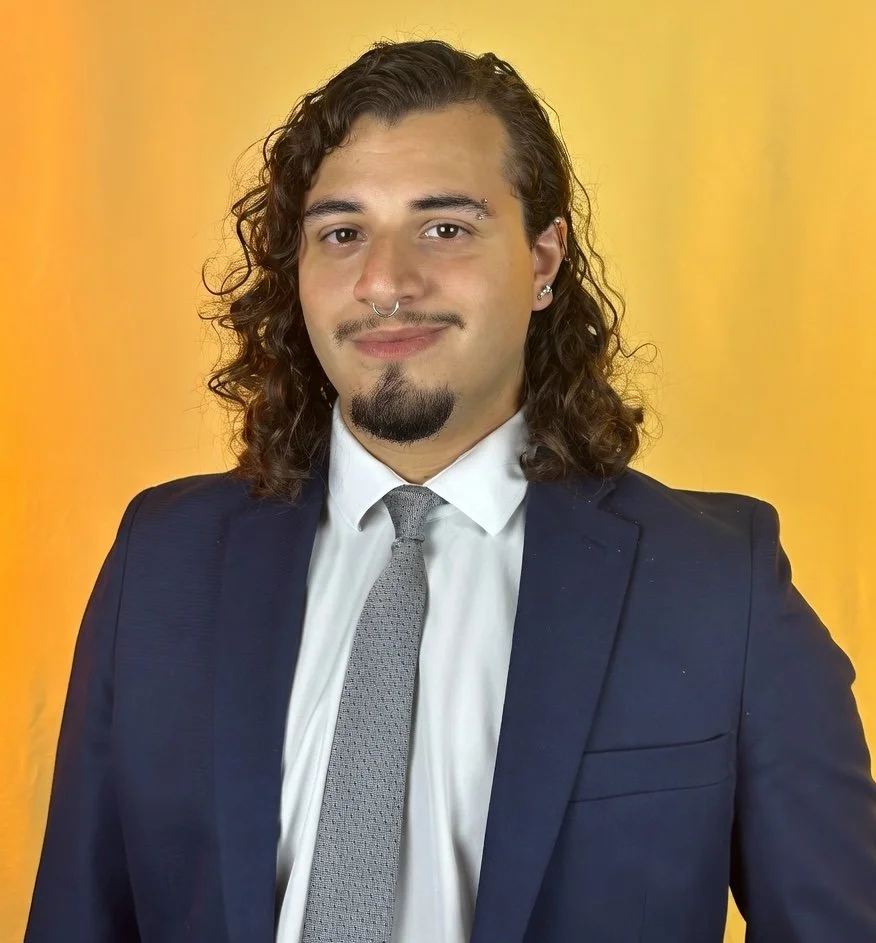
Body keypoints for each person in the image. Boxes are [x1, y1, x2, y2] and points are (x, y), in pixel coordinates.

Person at [25, 38, 876, 943]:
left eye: (445, 228)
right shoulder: (161, 563)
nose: (385, 282)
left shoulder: (721, 587)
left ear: (544, 260)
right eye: (343, 233)